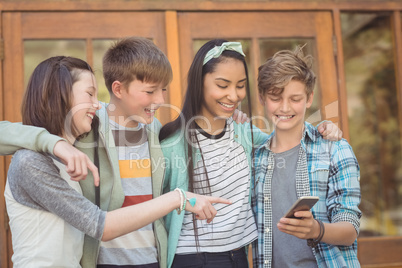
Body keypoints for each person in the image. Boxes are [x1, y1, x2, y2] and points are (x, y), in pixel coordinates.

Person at [1, 38, 230, 268]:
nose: (95, 102)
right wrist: (55, 143)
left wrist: (231, 118)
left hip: (151, 259)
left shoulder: (153, 130)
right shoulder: (50, 152)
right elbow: (101, 225)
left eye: (162, 90)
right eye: (89, 94)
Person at [159, 39, 343, 268]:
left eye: (240, 85)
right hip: (193, 258)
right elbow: (154, 208)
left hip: (238, 256)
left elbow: (286, 140)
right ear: (200, 83)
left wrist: (323, 128)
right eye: (223, 85)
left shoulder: (244, 133)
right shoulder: (172, 144)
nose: (233, 95)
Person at [251, 46, 361, 267]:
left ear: (309, 98)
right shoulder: (254, 158)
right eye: (275, 97)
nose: (284, 107)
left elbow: (350, 229)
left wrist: (316, 230)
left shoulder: (335, 150)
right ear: (262, 98)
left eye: (295, 99)